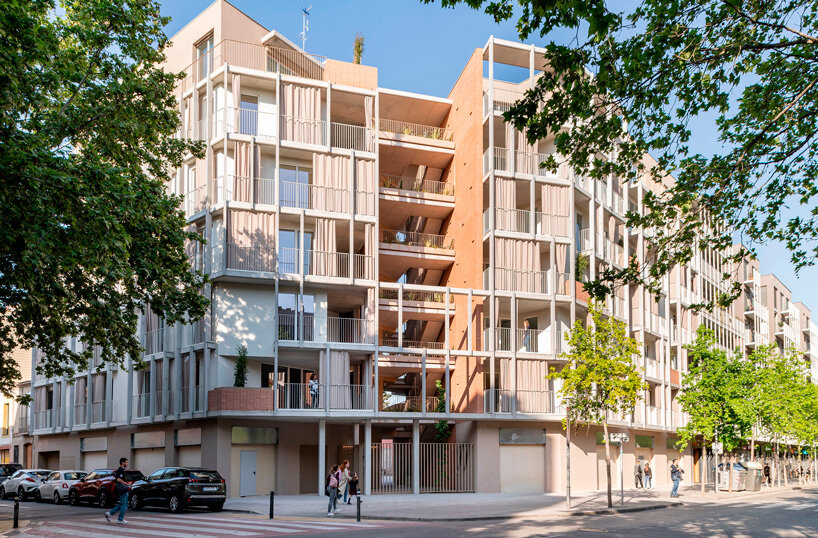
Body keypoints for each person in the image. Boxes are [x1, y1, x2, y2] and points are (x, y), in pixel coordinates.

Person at [104, 457, 131, 524]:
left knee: (123, 504)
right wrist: (126, 483)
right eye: (126, 462)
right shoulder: (120, 470)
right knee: (124, 504)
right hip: (122, 489)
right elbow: (118, 479)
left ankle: (109, 514)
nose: (127, 463)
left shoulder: (122, 470)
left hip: (123, 489)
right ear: (122, 463)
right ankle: (120, 519)